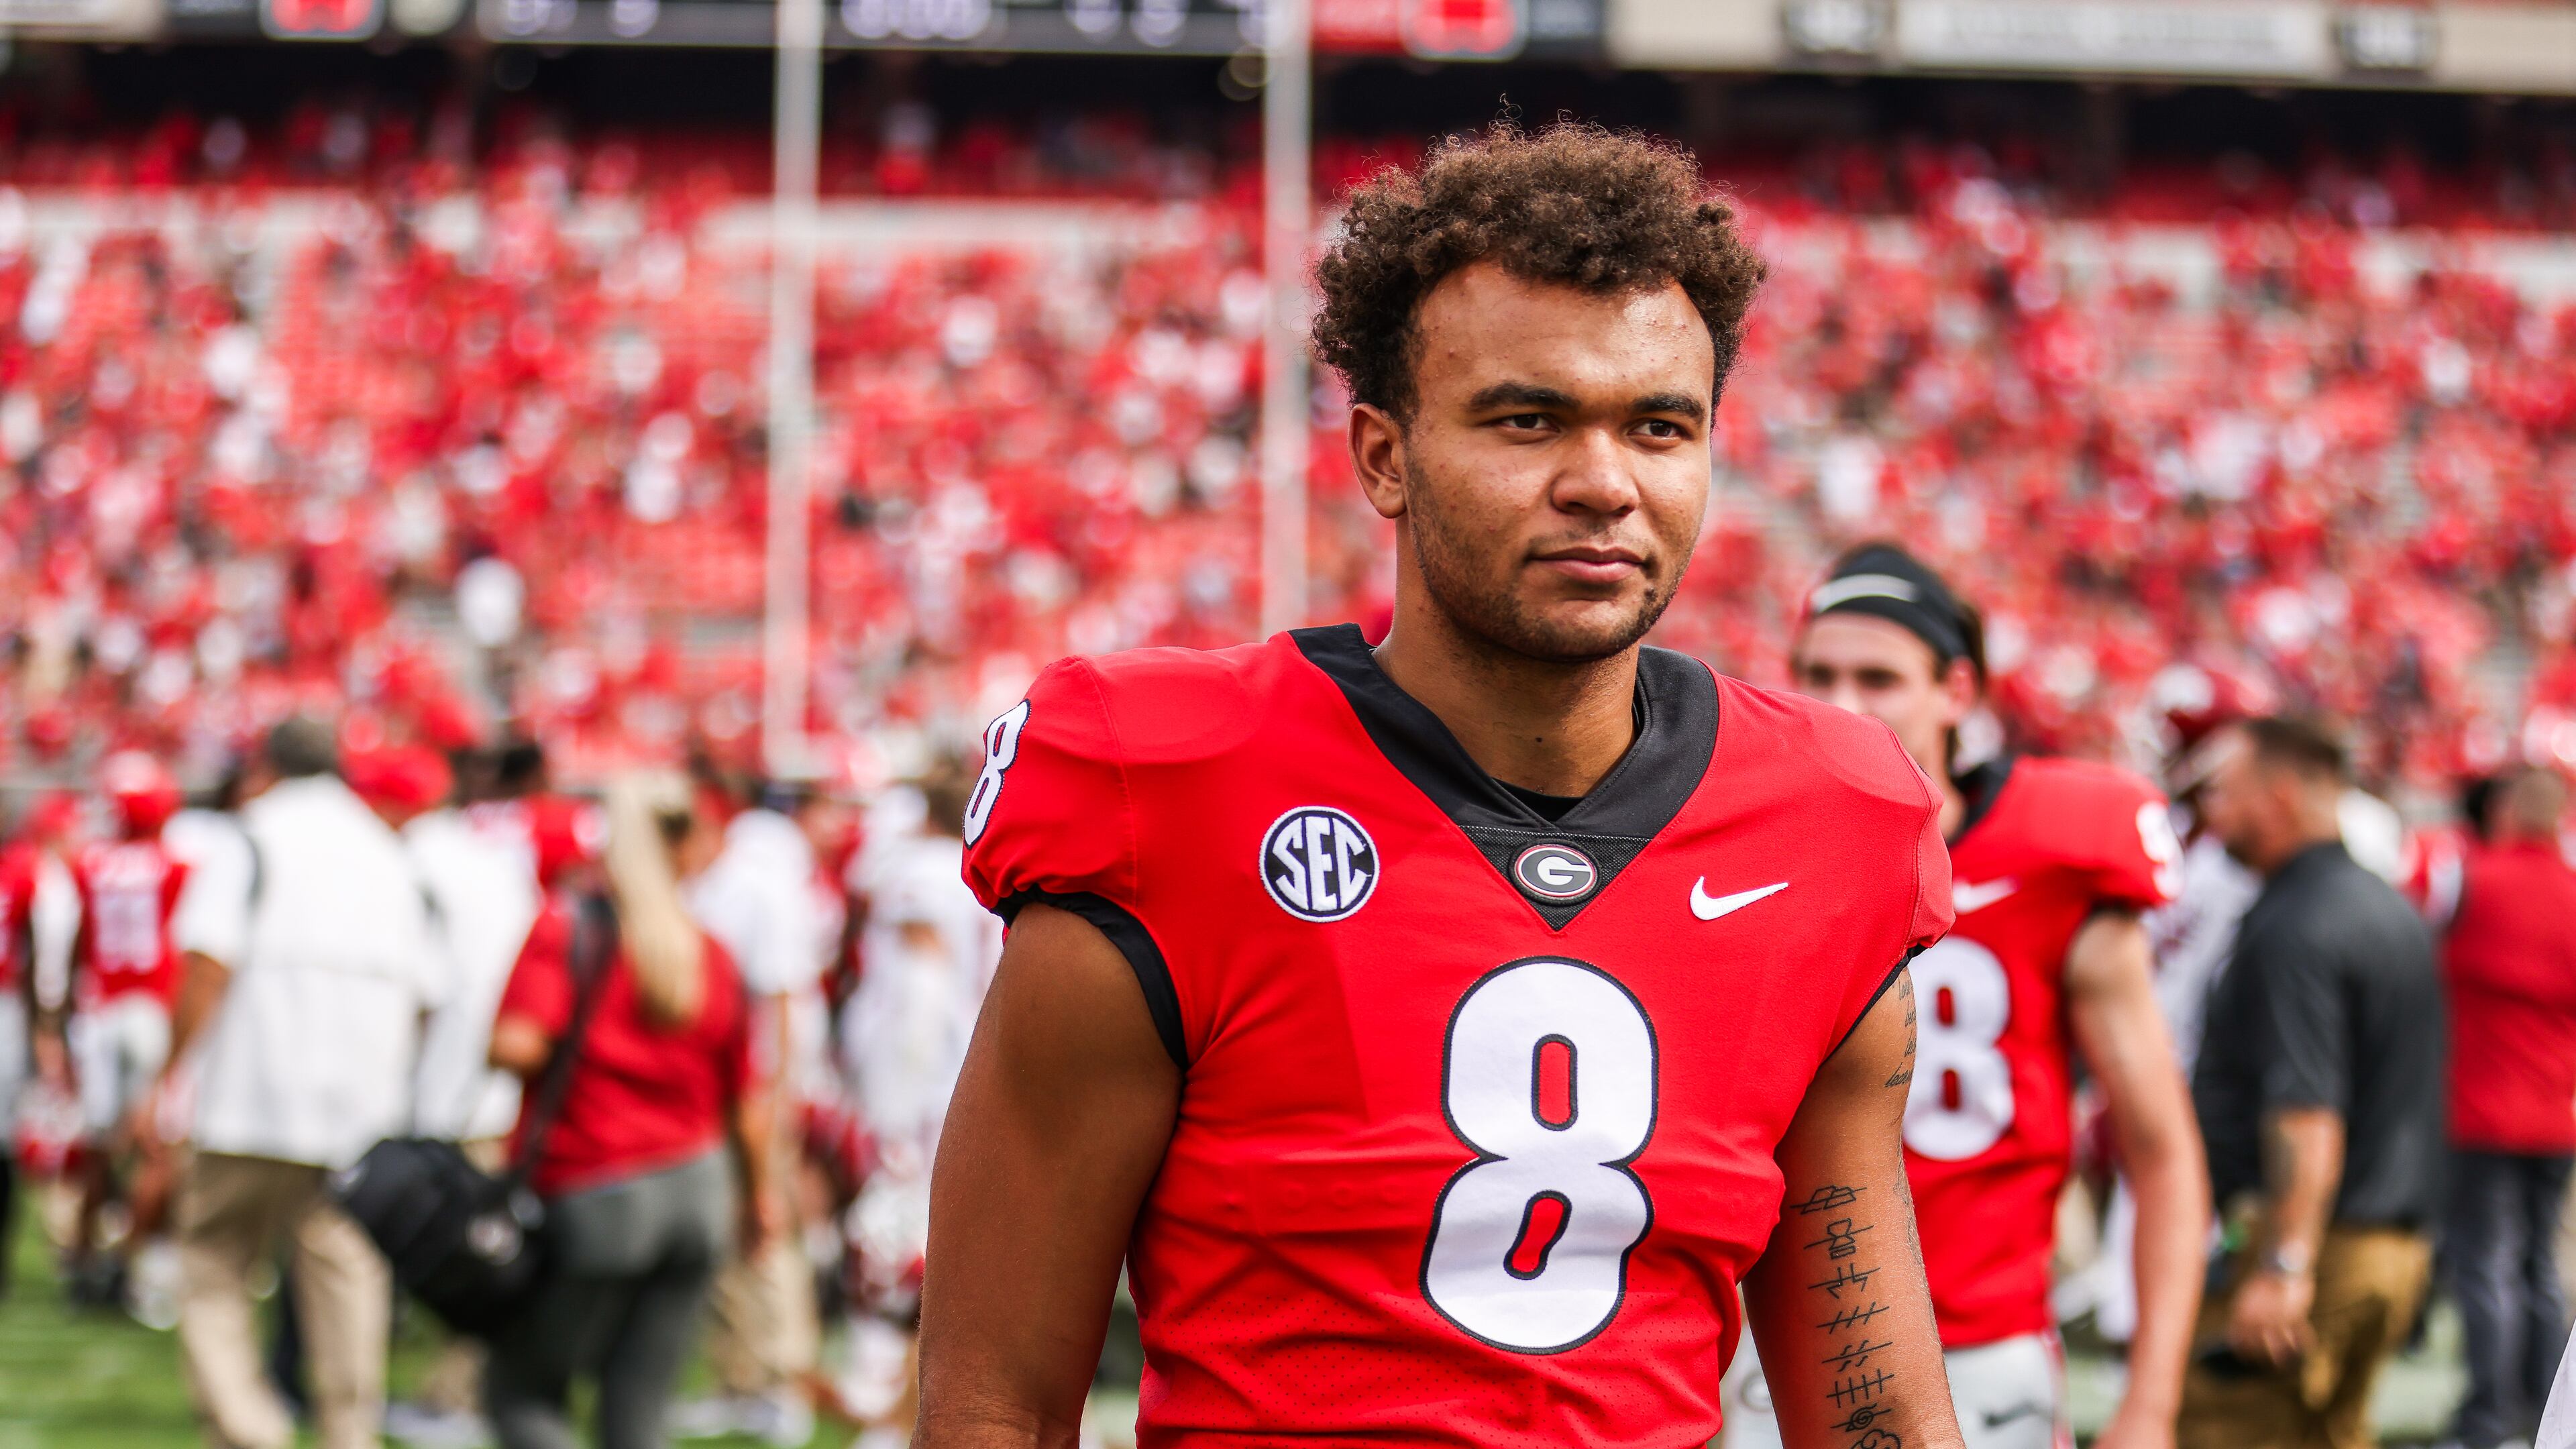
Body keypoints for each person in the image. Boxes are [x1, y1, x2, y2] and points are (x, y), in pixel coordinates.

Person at [920, 123, 1966, 1448]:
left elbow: (1870, 1410)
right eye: (1527, 419)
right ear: (1383, 457)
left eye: (1659, 426)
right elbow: (993, 1407)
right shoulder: (1166, 789)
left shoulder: (1825, 821)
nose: (1602, 484)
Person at [1769, 544, 2208, 1449]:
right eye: (1818, 674)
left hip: (1982, 1346)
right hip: (1781, 1348)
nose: (1842, 703)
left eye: (1879, 677)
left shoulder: (2052, 857)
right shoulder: (1745, 852)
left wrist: (2151, 1404)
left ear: (1957, 692)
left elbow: (2160, 1150)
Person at [160, 716, 449, 1449]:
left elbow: (207, 965)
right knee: (347, 1270)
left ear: (266, 764)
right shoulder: (388, 853)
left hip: (251, 1099)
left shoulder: (249, 837)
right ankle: (350, 1431)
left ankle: (250, 1427)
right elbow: (427, 993)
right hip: (359, 1109)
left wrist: (168, 1082)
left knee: (214, 1266)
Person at [482, 770, 780, 1449]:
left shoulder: (570, 931)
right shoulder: (712, 955)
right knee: (639, 1411)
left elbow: (517, 1044)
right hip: (698, 1191)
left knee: (523, 1393)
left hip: (598, 1182)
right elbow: (747, 1102)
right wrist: (759, 1200)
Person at [2182, 716, 2445, 1449]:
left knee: (2217, 1429)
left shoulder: (2298, 922)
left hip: (2322, 1245)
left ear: (2281, 797)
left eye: (2225, 793)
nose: (2211, 813)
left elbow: (2307, 1111)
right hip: (2389, 1246)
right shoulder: (2382, 903)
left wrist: (2282, 1266)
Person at [678, 781, 844, 1447]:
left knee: (766, 1229)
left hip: (758, 1086)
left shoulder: (758, 884)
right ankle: (739, 1379)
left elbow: (781, 1002)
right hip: (717, 1086)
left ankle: (782, 1384)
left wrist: (774, 1097)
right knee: (727, 1238)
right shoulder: (721, 882)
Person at [2434, 765, 2576, 1449]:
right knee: (2540, 1268)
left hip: (2481, 1105)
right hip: (2556, 1110)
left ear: (2509, 810)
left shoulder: (2470, 877)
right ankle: (2547, 1410)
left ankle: (2489, 1418)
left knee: (2486, 1263)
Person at [64, 750, 191, 1320]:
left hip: (100, 1009)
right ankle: (133, 1264)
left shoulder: (88, 862)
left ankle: (83, 1258)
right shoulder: (178, 866)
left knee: (98, 1147)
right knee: (157, 1148)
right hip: (152, 1007)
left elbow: (78, 945)